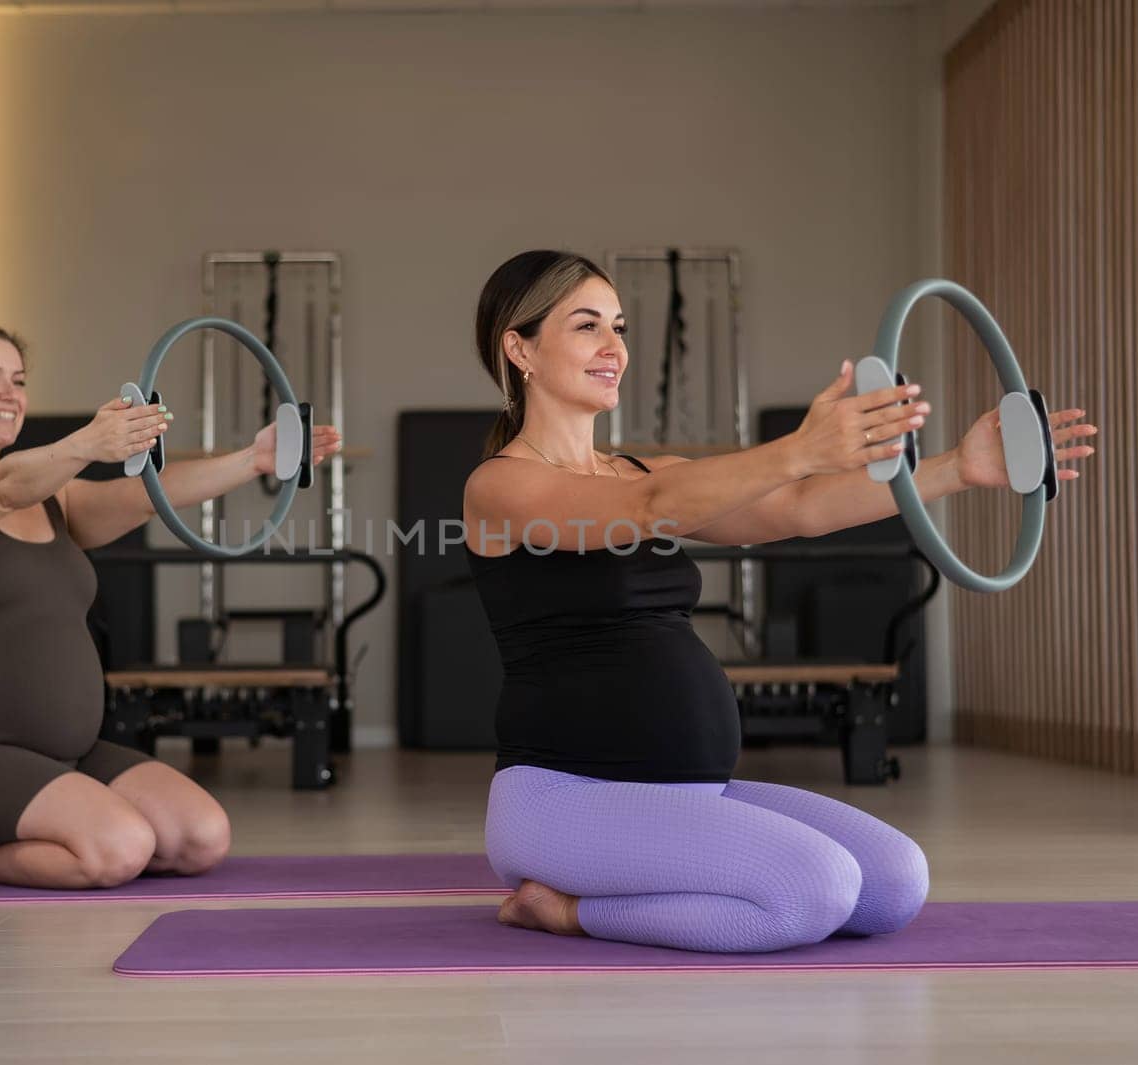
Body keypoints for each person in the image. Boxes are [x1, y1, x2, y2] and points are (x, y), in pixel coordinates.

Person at [462, 250, 1098, 952]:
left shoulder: (646, 471)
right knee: (811, 888)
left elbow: (795, 507)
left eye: (618, 325)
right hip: (564, 800)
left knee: (895, 881)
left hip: (689, 792)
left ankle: (607, 892)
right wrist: (800, 445)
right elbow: (645, 508)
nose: (614, 347)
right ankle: (562, 909)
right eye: (587, 326)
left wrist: (954, 469)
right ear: (519, 347)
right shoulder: (499, 488)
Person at [0, 323, 340, 889]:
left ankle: (68, 819)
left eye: (19, 381)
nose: (10, 393)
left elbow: (148, 497)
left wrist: (253, 460)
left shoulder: (55, 501)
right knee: (120, 849)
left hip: (65, 756)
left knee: (203, 837)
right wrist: (86, 443)